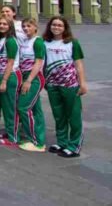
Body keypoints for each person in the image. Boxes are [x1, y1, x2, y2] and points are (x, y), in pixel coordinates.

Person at [43, 16, 87, 158]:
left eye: (60, 25)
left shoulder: (72, 43)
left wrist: (82, 83)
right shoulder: (45, 42)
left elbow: (78, 64)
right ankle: (62, 142)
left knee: (73, 115)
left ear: (65, 28)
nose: (56, 27)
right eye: (54, 25)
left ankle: (74, 146)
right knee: (59, 115)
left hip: (69, 84)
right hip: (52, 84)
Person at [17, 18, 47, 152]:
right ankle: (39, 138)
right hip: (25, 75)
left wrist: (28, 80)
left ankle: (35, 140)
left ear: (35, 27)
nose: (26, 29)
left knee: (23, 107)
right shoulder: (25, 41)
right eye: (24, 26)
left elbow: (38, 62)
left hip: (33, 78)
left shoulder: (38, 42)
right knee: (36, 110)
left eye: (29, 26)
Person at [0, 17, 21, 147]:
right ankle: (10, 131)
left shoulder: (10, 41)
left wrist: (4, 80)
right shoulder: (1, 40)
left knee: (10, 107)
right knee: (5, 106)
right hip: (1, 75)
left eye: (5, 24)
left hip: (10, 76)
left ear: (10, 26)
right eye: (0, 24)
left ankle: (13, 137)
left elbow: (11, 62)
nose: (2, 26)